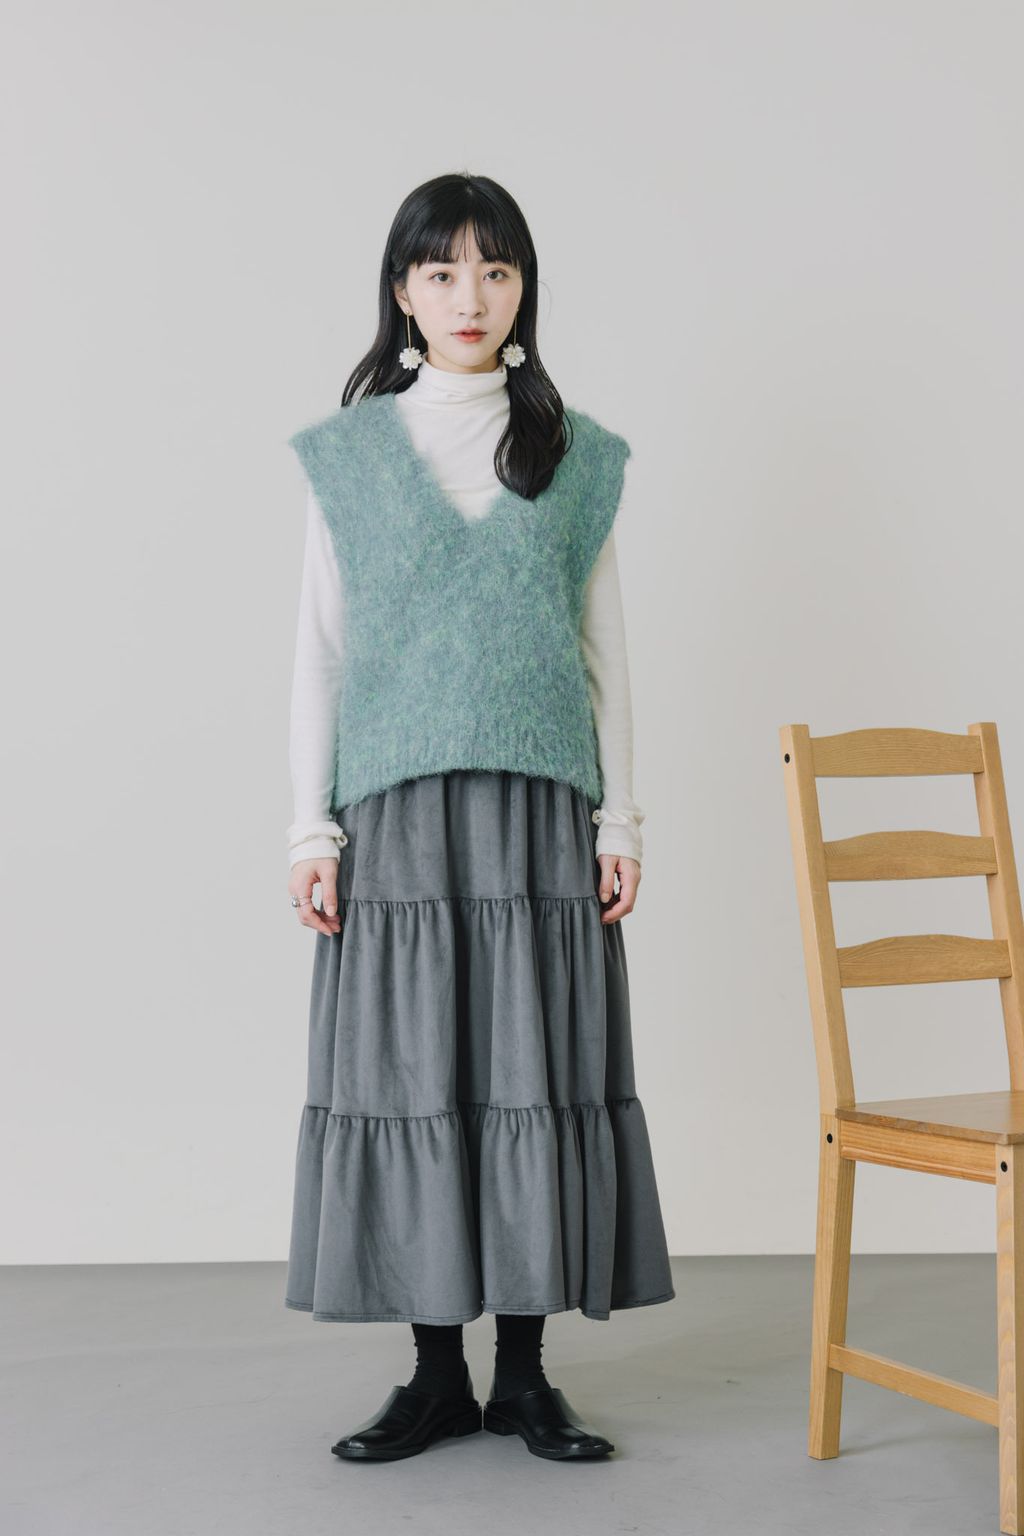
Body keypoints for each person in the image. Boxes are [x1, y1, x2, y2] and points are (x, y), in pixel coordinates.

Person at [283, 171, 675, 1463]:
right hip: (396, 822)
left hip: (538, 820)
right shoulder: (350, 457)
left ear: (524, 291)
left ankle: (525, 1378)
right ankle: (436, 1375)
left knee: (530, 1080)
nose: (471, 296)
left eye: (497, 270)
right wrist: (310, 831)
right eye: (443, 271)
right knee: (421, 1083)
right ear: (402, 291)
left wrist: (621, 822)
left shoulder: (576, 455)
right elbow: (320, 655)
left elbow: (605, 655)